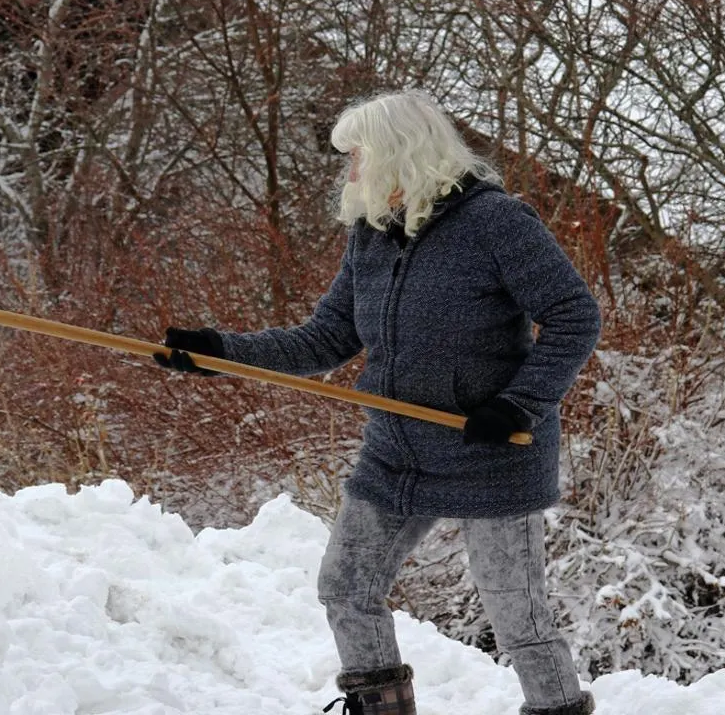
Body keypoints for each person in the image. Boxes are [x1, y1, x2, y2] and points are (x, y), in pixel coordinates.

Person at [154, 90, 601, 715]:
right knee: (346, 587)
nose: (352, 171)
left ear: (399, 154)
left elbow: (575, 316)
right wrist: (220, 351)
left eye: (358, 156)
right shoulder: (372, 235)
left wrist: (518, 404)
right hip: (398, 452)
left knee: (518, 620)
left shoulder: (496, 224)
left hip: (493, 451)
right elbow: (325, 338)